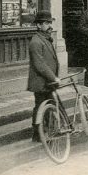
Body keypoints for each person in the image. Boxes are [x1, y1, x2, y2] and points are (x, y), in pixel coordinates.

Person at [27, 10, 60, 142]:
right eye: (46, 23)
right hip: (40, 82)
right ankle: (37, 134)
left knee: (48, 106)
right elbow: (40, 65)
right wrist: (54, 78)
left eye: (50, 23)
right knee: (40, 107)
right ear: (39, 25)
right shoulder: (36, 41)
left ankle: (46, 131)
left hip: (47, 82)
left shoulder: (45, 38)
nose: (49, 26)